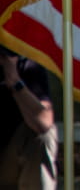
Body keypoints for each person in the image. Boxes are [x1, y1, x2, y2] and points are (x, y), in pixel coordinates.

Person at [0, 46, 58, 190]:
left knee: (42, 136)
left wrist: (14, 81)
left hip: (10, 162)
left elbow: (44, 122)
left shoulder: (27, 63)